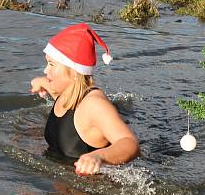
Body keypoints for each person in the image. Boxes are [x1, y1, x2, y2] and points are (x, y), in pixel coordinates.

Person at [29, 23, 139, 175]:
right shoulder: (65, 92)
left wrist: (99, 156)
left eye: (51, 64)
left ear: (74, 71)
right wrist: (39, 82)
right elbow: (52, 88)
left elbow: (130, 143)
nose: (46, 70)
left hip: (89, 191)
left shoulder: (94, 105)